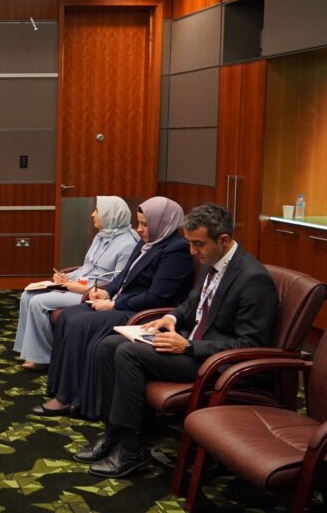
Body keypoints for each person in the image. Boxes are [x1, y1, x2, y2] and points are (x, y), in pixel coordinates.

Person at [80, 203, 277, 478]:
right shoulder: (215, 261)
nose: (192, 252)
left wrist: (189, 346)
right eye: (190, 243)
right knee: (109, 345)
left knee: (128, 354)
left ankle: (131, 449)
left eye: (198, 244)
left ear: (223, 239)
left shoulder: (253, 279)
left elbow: (251, 344)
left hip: (214, 362)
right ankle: (114, 433)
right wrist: (170, 318)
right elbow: (190, 304)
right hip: (191, 347)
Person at [34, 196, 194, 419]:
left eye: (145, 224)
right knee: (68, 316)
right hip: (123, 303)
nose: (139, 229)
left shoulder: (176, 250)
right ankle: (62, 390)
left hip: (141, 313)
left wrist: (114, 303)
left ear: (163, 223)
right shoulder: (147, 242)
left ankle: (74, 399)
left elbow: (157, 296)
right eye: (139, 223)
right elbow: (123, 276)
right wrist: (107, 291)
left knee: (80, 324)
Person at [13, 196, 138, 371]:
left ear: (110, 215)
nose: (92, 214)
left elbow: (118, 284)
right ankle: (29, 350)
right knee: (28, 295)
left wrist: (81, 289)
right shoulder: (101, 236)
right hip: (77, 285)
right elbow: (87, 268)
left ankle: (44, 357)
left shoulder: (128, 244)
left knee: (38, 302)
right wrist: (67, 277)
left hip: (93, 293)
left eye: (97, 210)